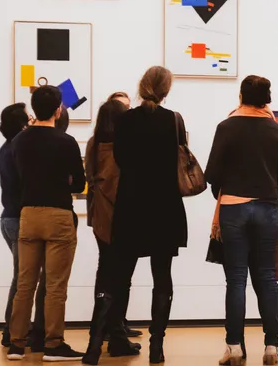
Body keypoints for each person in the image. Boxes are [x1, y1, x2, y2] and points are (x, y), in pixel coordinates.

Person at [204, 75, 278, 366]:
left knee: (236, 279)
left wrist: (227, 193)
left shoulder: (226, 127)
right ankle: (272, 345)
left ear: (241, 96)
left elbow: (211, 175)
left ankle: (234, 346)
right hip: (267, 209)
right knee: (266, 278)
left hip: (234, 209)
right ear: (267, 99)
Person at [111, 66, 188, 364]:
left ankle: (115, 337)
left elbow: (119, 159)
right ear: (166, 89)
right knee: (162, 278)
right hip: (164, 208)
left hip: (131, 206)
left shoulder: (125, 120)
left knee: (122, 276)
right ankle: (157, 345)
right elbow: (180, 159)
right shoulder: (173, 121)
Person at [7, 86, 86, 361]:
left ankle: (16, 343)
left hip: (28, 215)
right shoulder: (66, 142)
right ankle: (53, 343)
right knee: (55, 286)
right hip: (58, 216)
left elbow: (18, 180)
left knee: (25, 283)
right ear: (58, 110)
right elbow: (79, 183)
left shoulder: (19, 141)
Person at [82, 99, 141, 365]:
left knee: (105, 273)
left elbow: (89, 177)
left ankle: (100, 340)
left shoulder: (94, 145)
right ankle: (112, 339)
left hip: (100, 219)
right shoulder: (127, 147)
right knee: (122, 279)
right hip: (125, 218)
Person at [0, 103, 44, 348]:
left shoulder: (7, 147)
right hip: (18, 219)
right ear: (22, 123)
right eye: (29, 116)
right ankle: (11, 329)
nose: (33, 118)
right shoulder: (18, 148)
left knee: (22, 277)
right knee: (23, 278)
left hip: (9, 218)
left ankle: (13, 327)